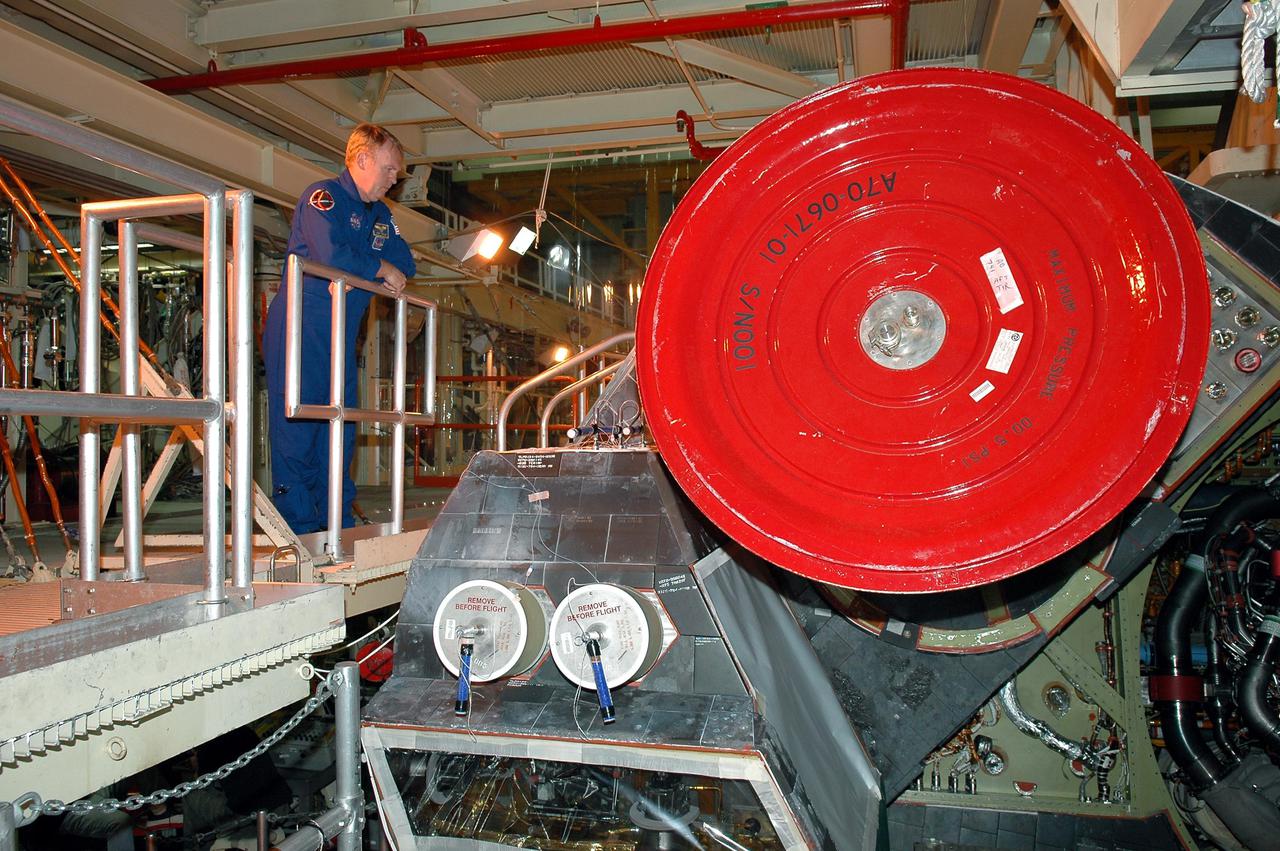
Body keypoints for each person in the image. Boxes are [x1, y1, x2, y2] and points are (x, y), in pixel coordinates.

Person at [262, 123, 416, 534]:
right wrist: (376, 266)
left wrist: (372, 262)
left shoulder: (381, 215)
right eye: (388, 169)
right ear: (362, 159)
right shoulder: (322, 198)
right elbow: (331, 253)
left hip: (342, 333)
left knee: (340, 427)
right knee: (299, 428)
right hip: (302, 327)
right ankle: (300, 530)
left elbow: (407, 263)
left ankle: (337, 525)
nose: (393, 179)